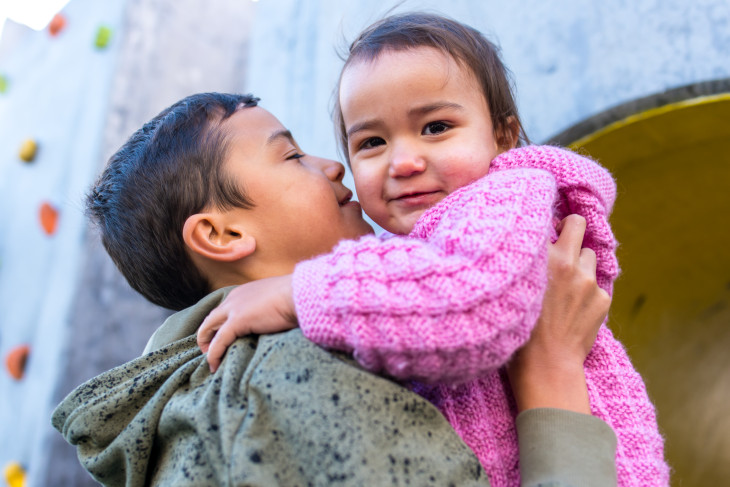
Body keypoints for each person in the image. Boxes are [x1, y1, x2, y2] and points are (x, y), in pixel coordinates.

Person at [197, 13, 670, 487]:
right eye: (372, 142)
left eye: (436, 127)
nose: (403, 162)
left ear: (502, 136)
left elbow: (472, 303)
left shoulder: (506, 198)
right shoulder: (424, 244)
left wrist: (293, 294)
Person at [52, 92, 618, 486]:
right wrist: (552, 371)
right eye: (292, 156)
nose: (334, 168)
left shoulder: (198, 407)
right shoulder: (288, 378)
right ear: (221, 234)